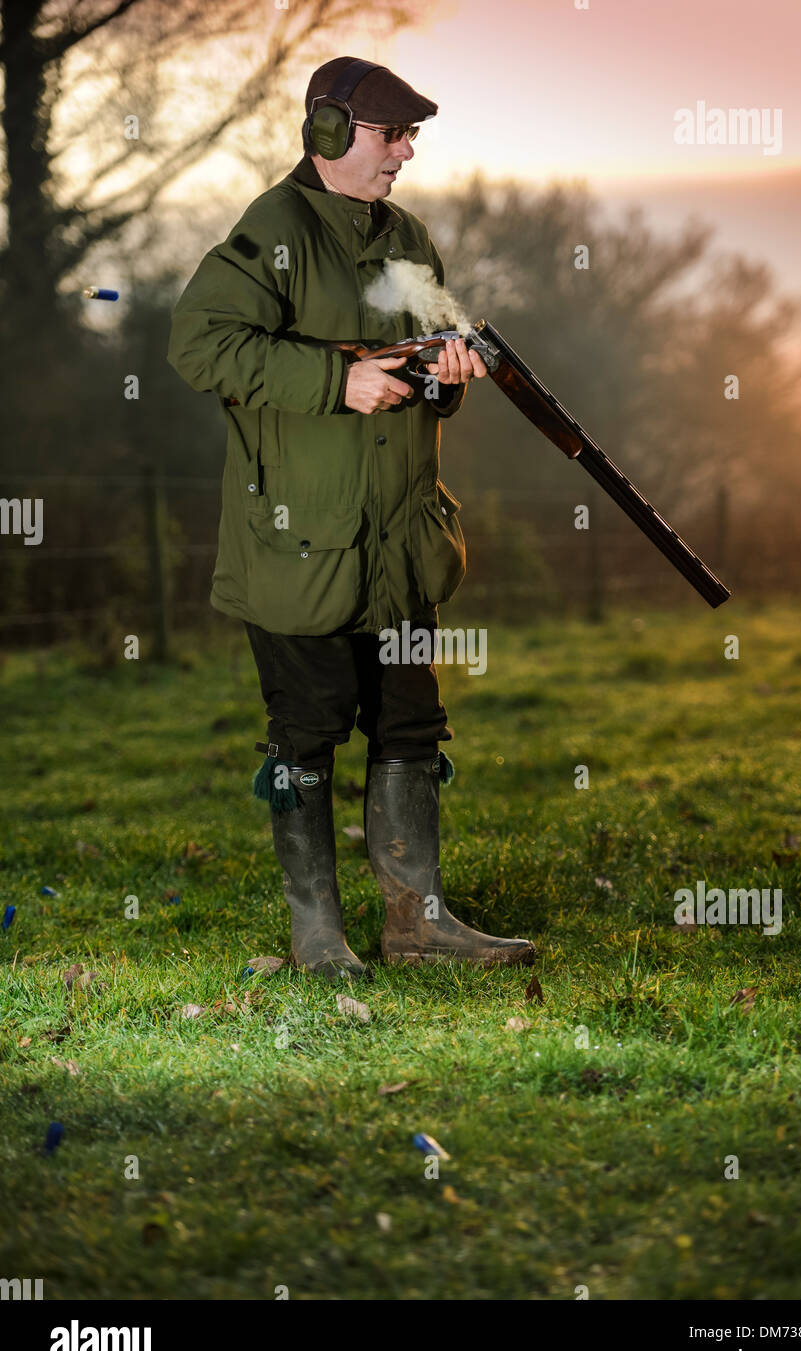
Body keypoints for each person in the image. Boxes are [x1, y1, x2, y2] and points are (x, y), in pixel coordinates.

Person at [168, 56, 535, 978]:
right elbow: (200, 342)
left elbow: (422, 352)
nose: (406, 153)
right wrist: (337, 379)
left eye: (413, 137)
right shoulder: (274, 229)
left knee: (411, 726)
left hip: (399, 538)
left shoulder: (406, 235)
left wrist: (444, 377)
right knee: (309, 730)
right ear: (329, 134)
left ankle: (419, 925)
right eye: (390, 135)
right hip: (301, 543)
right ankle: (318, 937)